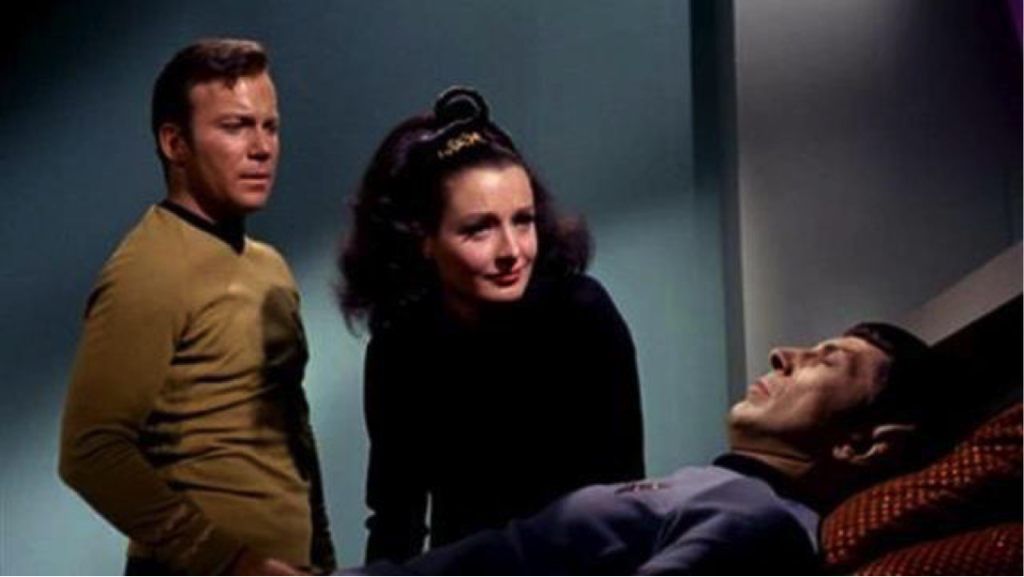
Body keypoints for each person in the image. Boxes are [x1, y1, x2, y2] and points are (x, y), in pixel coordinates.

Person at [335, 322, 948, 576]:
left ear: (865, 447)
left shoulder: (759, 522)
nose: (784, 355)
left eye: (826, 361)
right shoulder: (718, 491)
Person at [59, 38, 335, 577]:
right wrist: (231, 562)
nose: (262, 148)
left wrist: (320, 560)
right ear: (175, 143)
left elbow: (292, 436)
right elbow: (90, 452)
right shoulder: (148, 270)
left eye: (270, 127)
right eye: (235, 126)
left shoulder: (270, 267)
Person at [338, 87, 645, 563]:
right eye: (478, 228)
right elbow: (396, 521)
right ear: (422, 238)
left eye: (523, 221)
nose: (512, 251)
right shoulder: (400, 344)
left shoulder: (583, 316)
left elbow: (626, 502)